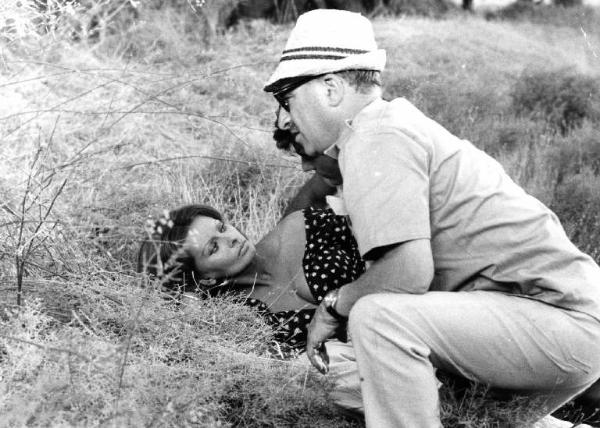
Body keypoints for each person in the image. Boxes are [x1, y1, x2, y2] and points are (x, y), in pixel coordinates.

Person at [263, 9, 600, 427]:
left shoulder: (374, 136)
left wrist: (333, 307)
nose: (284, 118)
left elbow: (408, 273)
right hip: (542, 323)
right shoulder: (387, 128)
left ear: (330, 89)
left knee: (379, 319)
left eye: (286, 99)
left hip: (559, 322)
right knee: (452, 407)